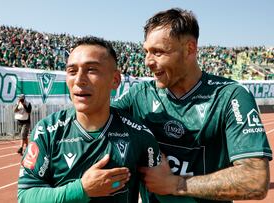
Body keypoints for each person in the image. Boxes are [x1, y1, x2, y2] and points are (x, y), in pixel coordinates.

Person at [112, 8, 272, 203]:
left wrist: (176, 184)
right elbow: (97, 120)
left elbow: (255, 180)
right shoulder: (140, 94)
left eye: (158, 52)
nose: (148, 61)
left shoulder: (230, 96)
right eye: (146, 51)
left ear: (190, 49)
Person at [17, 36, 161, 202]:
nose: (79, 80)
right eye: (72, 71)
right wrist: (82, 189)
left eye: (91, 70)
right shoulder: (47, 131)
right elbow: (25, 196)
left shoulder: (140, 135)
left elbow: (155, 194)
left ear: (115, 80)